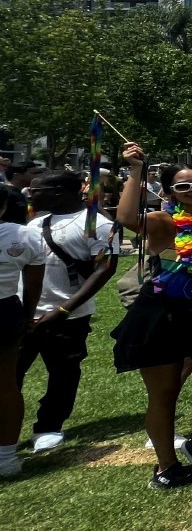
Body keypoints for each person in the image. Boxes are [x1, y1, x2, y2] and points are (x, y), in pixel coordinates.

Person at [110, 145, 192, 488]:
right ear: (169, 193)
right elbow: (126, 219)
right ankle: (166, 467)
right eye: (183, 187)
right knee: (165, 392)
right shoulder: (162, 221)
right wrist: (137, 170)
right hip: (162, 316)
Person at [19, 171, 118, 454]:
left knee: (62, 372)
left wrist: (64, 309)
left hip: (67, 316)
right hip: (27, 313)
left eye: (36, 190)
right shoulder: (38, 223)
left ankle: (49, 425)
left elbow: (105, 268)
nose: (30, 194)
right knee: (12, 371)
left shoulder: (96, 224)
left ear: (60, 191)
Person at [0, 186, 45, 478]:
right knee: (5, 384)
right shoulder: (25, 234)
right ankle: (6, 457)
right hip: (6, 310)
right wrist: (28, 316)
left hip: (6, 311)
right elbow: (32, 284)